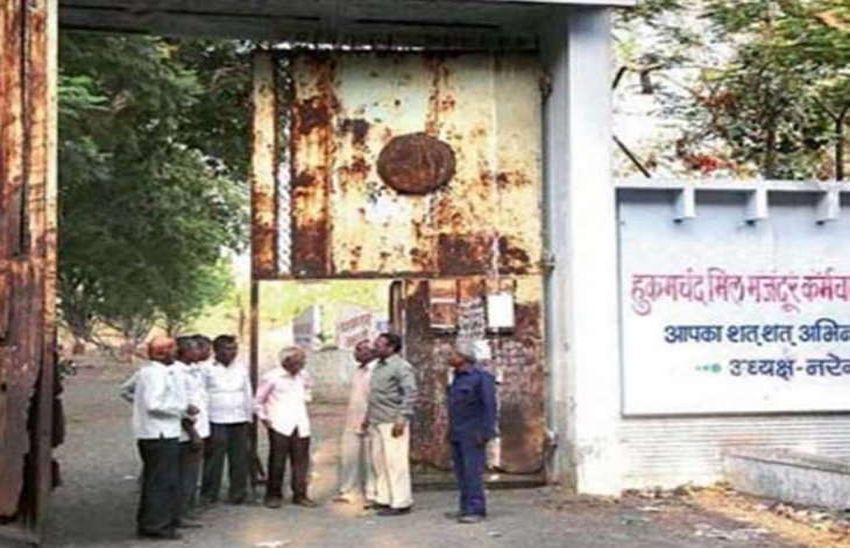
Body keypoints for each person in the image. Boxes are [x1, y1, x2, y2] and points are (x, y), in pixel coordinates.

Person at [132, 336, 191, 540]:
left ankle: (151, 522)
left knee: (156, 480)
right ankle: (157, 526)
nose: (176, 353)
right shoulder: (154, 374)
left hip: (157, 432)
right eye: (173, 349)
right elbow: (154, 404)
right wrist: (182, 409)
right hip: (160, 433)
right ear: (162, 353)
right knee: (161, 482)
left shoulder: (153, 372)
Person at [256, 346, 317, 509]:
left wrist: (306, 397)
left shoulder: (304, 376)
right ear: (286, 362)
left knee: (301, 462)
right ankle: (273, 495)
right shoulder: (272, 377)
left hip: (300, 423)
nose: (302, 364)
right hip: (279, 423)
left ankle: (300, 494)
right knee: (277, 461)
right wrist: (264, 418)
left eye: (303, 361)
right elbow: (259, 400)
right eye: (299, 361)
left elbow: (308, 389)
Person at [364, 333, 417, 516]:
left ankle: (401, 501)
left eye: (379, 345)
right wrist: (367, 417)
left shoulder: (401, 366)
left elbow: (410, 393)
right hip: (376, 419)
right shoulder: (378, 366)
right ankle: (384, 498)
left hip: (392, 421)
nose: (375, 347)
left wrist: (402, 418)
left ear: (391, 347)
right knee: (379, 462)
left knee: (396, 462)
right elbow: (374, 395)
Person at [445, 340, 498, 524]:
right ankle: (465, 507)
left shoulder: (481, 378)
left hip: (474, 433)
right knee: (461, 473)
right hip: (457, 431)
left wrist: (486, 432)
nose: (449, 357)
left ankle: (476, 509)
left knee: (473, 472)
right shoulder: (457, 378)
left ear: (464, 357)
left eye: (453, 354)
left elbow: (489, 407)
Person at [200, 335, 253, 506]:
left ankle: (238, 493)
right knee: (214, 458)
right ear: (216, 350)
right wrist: (203, 422)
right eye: (227, 349)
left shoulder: (241, 368)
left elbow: (247, 392)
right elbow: (201, 394)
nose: (232, 352)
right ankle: (209, 494)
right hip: (216, 419)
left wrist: (249, 417)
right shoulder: (206, 368)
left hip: (239, 418)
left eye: (234, 349)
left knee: (239, 458)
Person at [333, 340, 377, 506]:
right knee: (349, 456)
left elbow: (375, 398)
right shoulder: (358, 370)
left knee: (371, 459)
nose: (355, 353)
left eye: (359, 350)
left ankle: (372, 493)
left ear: (370, 353)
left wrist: (368, 417)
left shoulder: (376, 371)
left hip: (369, 420)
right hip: (352, 419)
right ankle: (348, 490)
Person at [174, 336, 208, 525]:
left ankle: (187, 508)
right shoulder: (178, 373)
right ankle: (181, 513)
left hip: (199, 429)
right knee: (186, 475)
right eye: (194, 349)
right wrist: (193, 433)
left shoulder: (193, 370)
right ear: (184, 352)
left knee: (192, 474)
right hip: (188, 432)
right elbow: (183, 406)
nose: (199, 352)